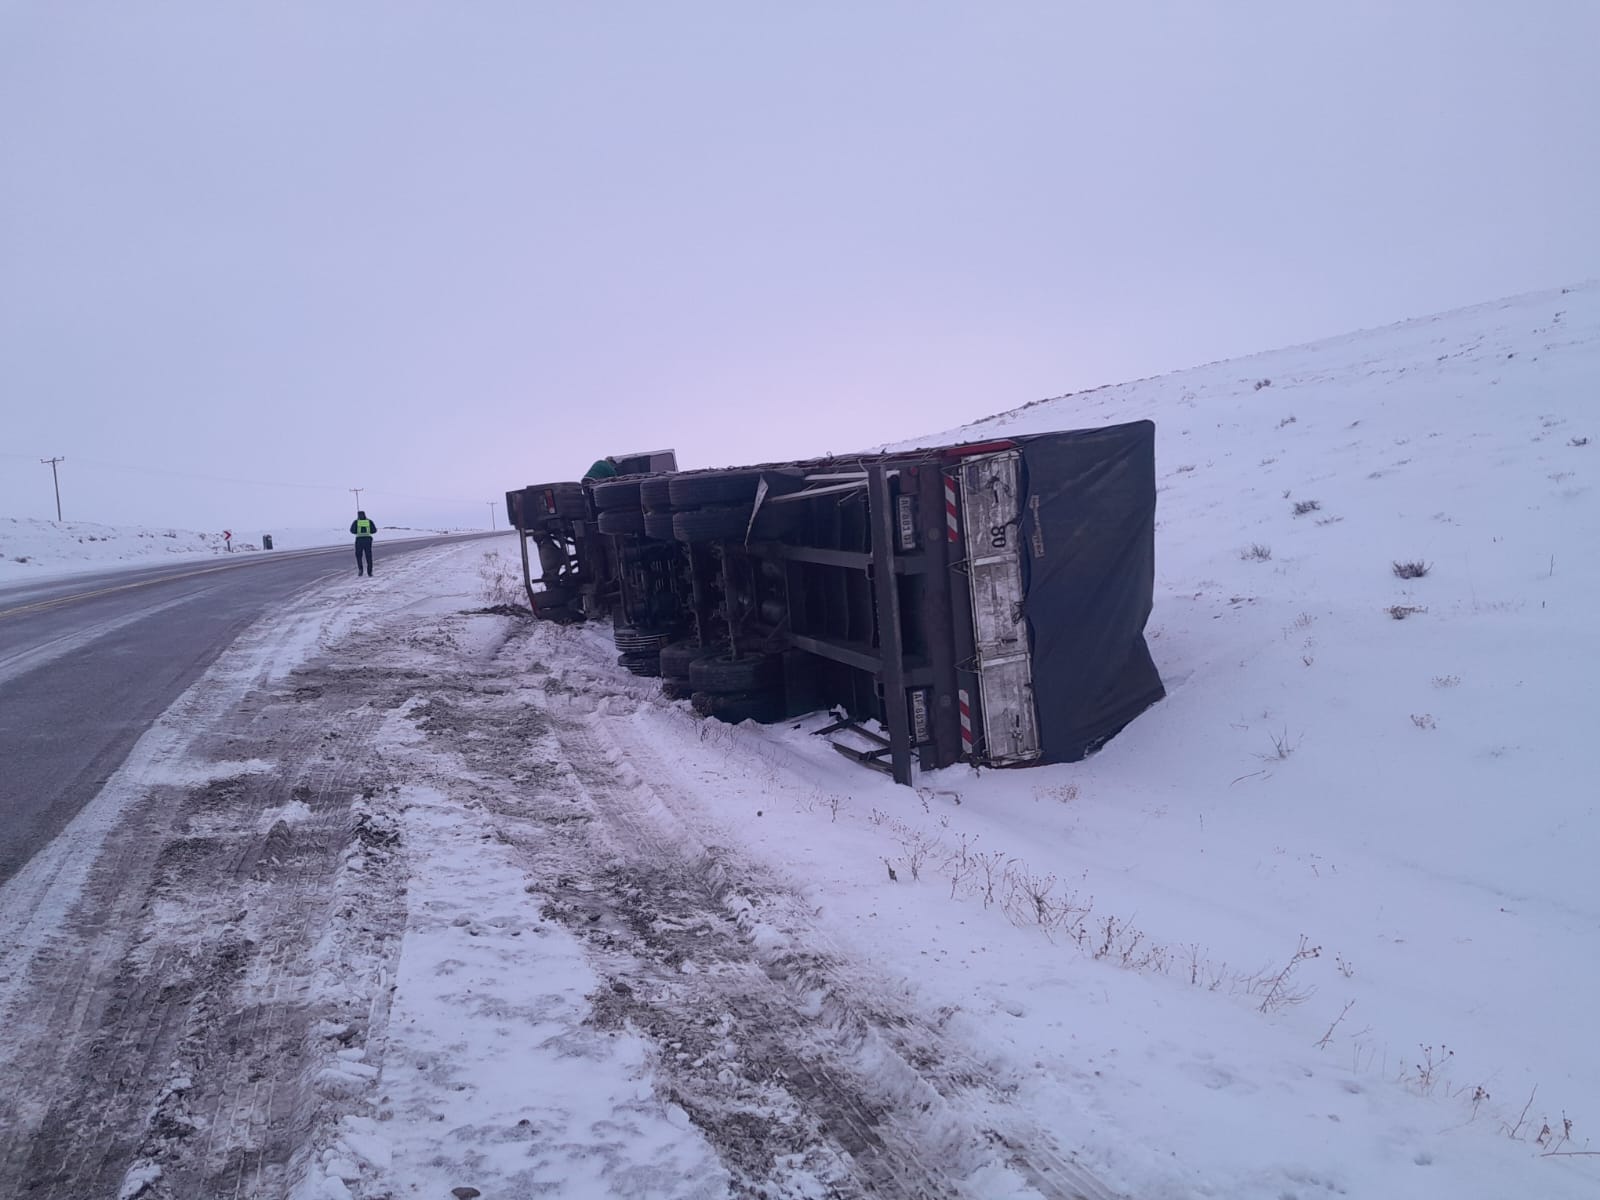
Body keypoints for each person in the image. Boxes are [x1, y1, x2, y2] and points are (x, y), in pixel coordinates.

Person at [350, 511, 377, 575]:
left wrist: (358, 531)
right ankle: (369, 572)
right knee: (368, 556)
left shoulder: (356, 522)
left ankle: (360, 570)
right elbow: (374, 530)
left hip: (359, 540)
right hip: (368, 540)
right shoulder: (369, 521)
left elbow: (352, 531)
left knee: (359, 555)